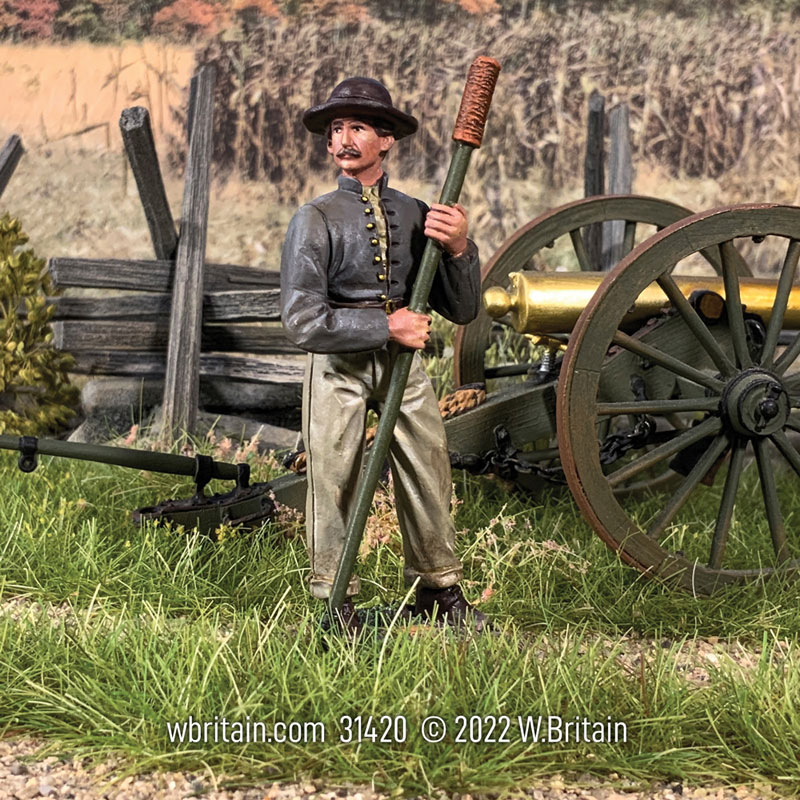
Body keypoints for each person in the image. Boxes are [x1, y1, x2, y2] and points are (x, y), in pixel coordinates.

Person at [280, 76, 486, 634]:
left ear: (386, 139)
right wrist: (383, 325)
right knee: (334, 476)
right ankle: (333, 600)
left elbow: (462, 309)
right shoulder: (315, 219)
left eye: (359, 128)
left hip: (404, 368)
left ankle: (439, 592)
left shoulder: (419, 213)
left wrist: (460, 246)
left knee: (427, 467)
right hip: (340, 366)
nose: (345, 140)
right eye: (337, 130)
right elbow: (301, 320)